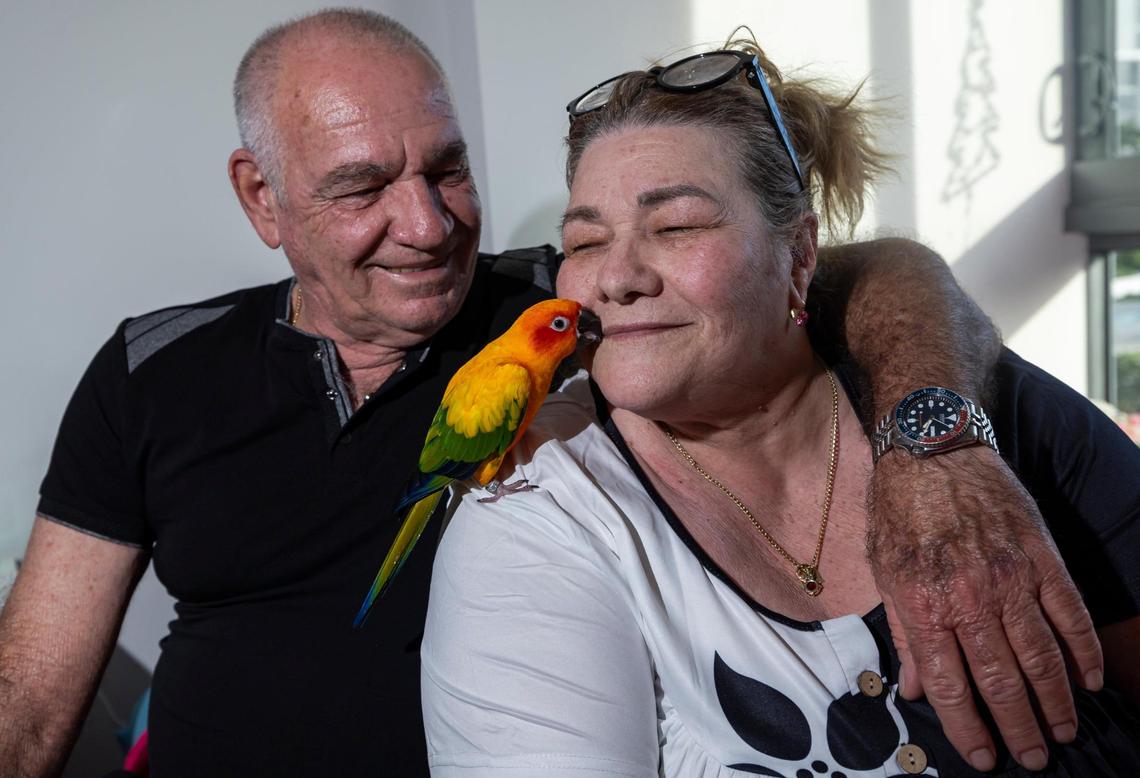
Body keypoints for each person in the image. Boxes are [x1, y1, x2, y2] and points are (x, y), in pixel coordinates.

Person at [0, 10, 1103, 777]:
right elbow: (35, 701)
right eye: (361, 186)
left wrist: (932, 441)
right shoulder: (153, 368)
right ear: (262, 198)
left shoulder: (568, 308)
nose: (429, 224)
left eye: (446, 167)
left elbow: (871, 270)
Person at [421, 38, 1140, 777]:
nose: (618, 276)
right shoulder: (543, 513)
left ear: (799, 257)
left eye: (676, 227)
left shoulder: (976, 408)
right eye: (584, 239)